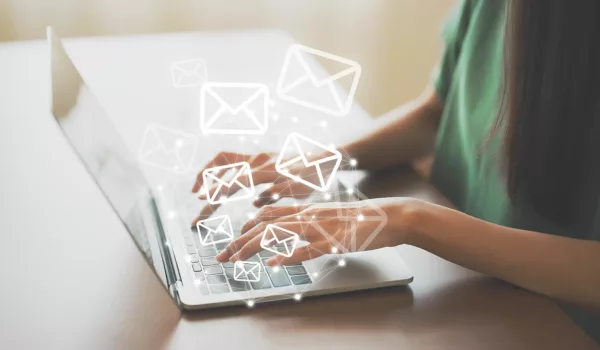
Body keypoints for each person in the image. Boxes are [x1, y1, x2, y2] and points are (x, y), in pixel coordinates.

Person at [192, 0, 600, 342]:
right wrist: (321, 158)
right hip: (461, 292)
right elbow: (435, 113)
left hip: (549, 327)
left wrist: (413, 219)